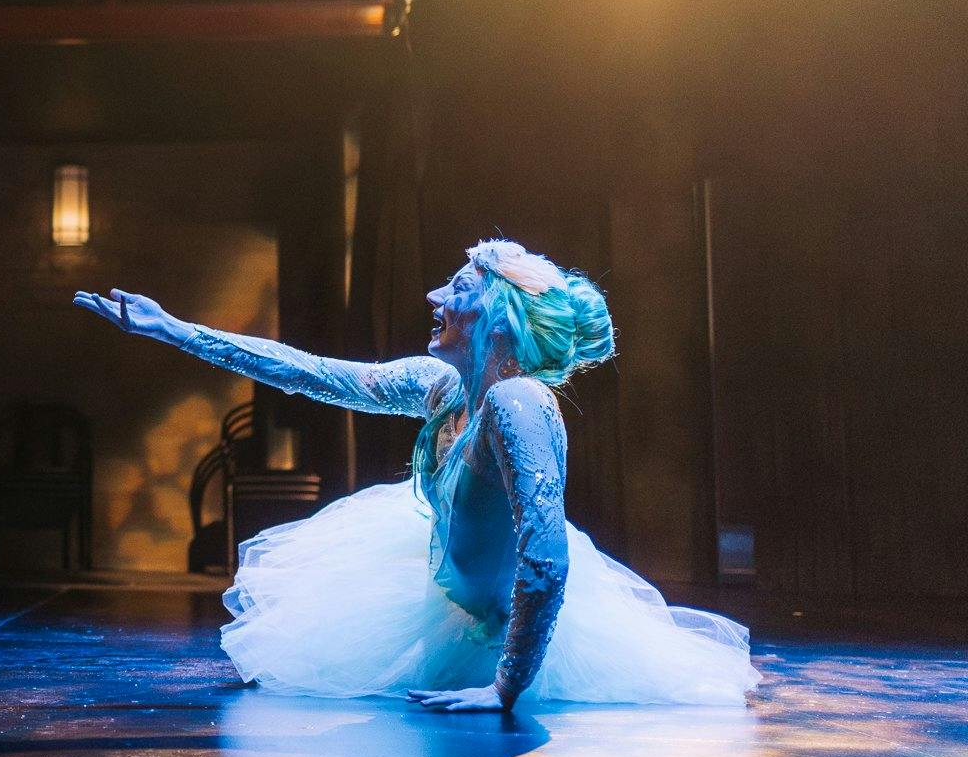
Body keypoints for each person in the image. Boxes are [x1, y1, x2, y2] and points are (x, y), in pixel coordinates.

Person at [74, 238, 760, 710]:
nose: (436, 296)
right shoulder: (440, 386)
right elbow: (311, 373)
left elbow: (546, 561)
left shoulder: (518, 403)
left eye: (457, 287)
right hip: (448, 591)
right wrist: (176, 331)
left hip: (510, 630)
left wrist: (506, 687)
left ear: (496, 311)